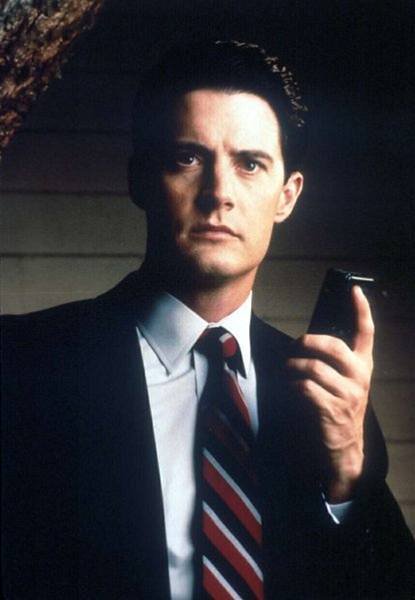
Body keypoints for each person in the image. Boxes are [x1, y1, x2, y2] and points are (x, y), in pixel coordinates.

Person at [2, 40, 414, 600]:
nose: (219, 193)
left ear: (287, 196)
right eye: (188, 158)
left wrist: (346, 476)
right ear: (140, 180)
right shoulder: (21, 365)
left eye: (250, 164)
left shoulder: (333, 398)